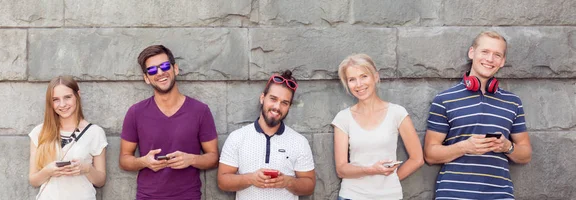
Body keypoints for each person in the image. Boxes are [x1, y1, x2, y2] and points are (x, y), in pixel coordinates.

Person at [424, 31, 532, 199]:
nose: (490, 59)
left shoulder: (513, 102)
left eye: (497, 55)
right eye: (485, 52)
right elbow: (430, 154)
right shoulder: (444, 99)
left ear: (502, 61)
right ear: (472, 53)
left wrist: (507, 147)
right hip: (453, 195)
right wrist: (465, 147)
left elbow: (525, 154)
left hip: (500, 195)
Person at [119, 45, 219, 200]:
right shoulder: (135, 113)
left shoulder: (200, 111)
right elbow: (124, 159)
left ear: (175, 69)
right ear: (146, 78)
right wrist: (143, 162)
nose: (160, 73)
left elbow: (213, 158)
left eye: (164, 66)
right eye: (152, 70)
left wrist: (191, 159)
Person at [331, 54, 424, 200]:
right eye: (352, 79)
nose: (359, 84)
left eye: (364, 76)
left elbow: (417, 159)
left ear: (375, 77)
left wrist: (390, 182)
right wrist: (370, 170)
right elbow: (341, 170)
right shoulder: (343, 118)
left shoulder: (397, 113)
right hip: (351, 195)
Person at [217, 70, 315, 200]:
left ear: (289, 107)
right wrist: (251, 179)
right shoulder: (237, 137)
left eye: (284, 103)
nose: (277, 107)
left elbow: (309, 186)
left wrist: (287, 182)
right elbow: (222, 181)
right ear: (262, 98)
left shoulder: (299, 141)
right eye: (273, 99)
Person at [28, 75, 108, 200]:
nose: (62, 104)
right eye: (55, 99)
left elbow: (100, 180)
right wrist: (48, 171)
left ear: (77, 95)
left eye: (67, 97)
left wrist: (86, 168)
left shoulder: (95, 132)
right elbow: (33, 180)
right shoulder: (39, 132)